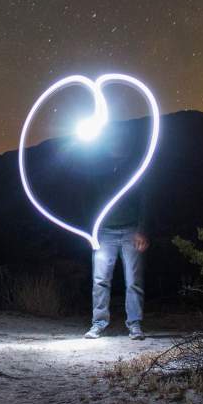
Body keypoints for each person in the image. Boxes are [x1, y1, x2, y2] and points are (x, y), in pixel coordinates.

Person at [82, 137, 149, 340]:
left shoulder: (135, 168)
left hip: (131, 230)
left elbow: (145, 199)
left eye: (120, 141)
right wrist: (91, 229)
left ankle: (135, 324)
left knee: (133, 281)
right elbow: (89, 200)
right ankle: (98, 323)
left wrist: (142, 229)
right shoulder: (99, 169)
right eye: (113, 141)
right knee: (100, 280)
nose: (116, 144)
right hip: (105, 232)